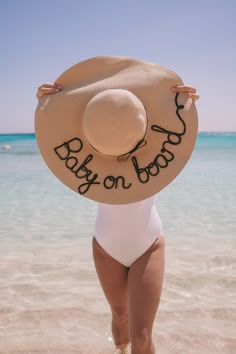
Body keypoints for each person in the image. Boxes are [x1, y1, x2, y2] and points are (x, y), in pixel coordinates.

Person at [37, 81, 199, 354]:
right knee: (120, 316)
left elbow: (180, 132)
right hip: (105, 248)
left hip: (149, 246)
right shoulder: (88, 158)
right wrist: (46, 105)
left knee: (143, 335)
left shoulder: (157, 154)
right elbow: (55, 136)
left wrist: (187, 105)